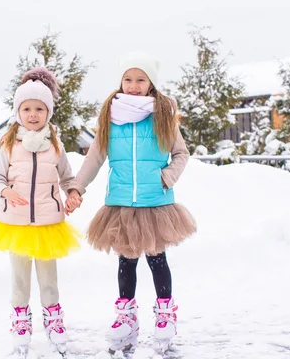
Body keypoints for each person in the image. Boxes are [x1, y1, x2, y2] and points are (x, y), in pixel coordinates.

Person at [65, 52, 197, 354]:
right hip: (122, 201)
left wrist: (167, 177)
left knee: (156, 259)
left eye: (140, 79)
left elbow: (182, 153)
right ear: (121, 82)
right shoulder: (111, 117)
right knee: (126, 260)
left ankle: (165, 313)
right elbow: (95, 157)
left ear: (150, 83)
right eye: (128, 79)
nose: (134, 85)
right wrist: (77, 188)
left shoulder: (162, 115)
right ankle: (126, 315)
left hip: (155, 202)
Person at [0, 67, 80, 357]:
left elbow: (67, 177)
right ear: (18, 111)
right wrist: (6, 191)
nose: (33, 114)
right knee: (20, 278)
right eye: (27, 108)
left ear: (48, 112)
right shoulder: (8, 145)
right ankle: (21, 321)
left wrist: (73, 194)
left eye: (39, 108)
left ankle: (53, 319)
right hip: (15, 223)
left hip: (48, 223)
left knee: (49, 278)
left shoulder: (55, 145)